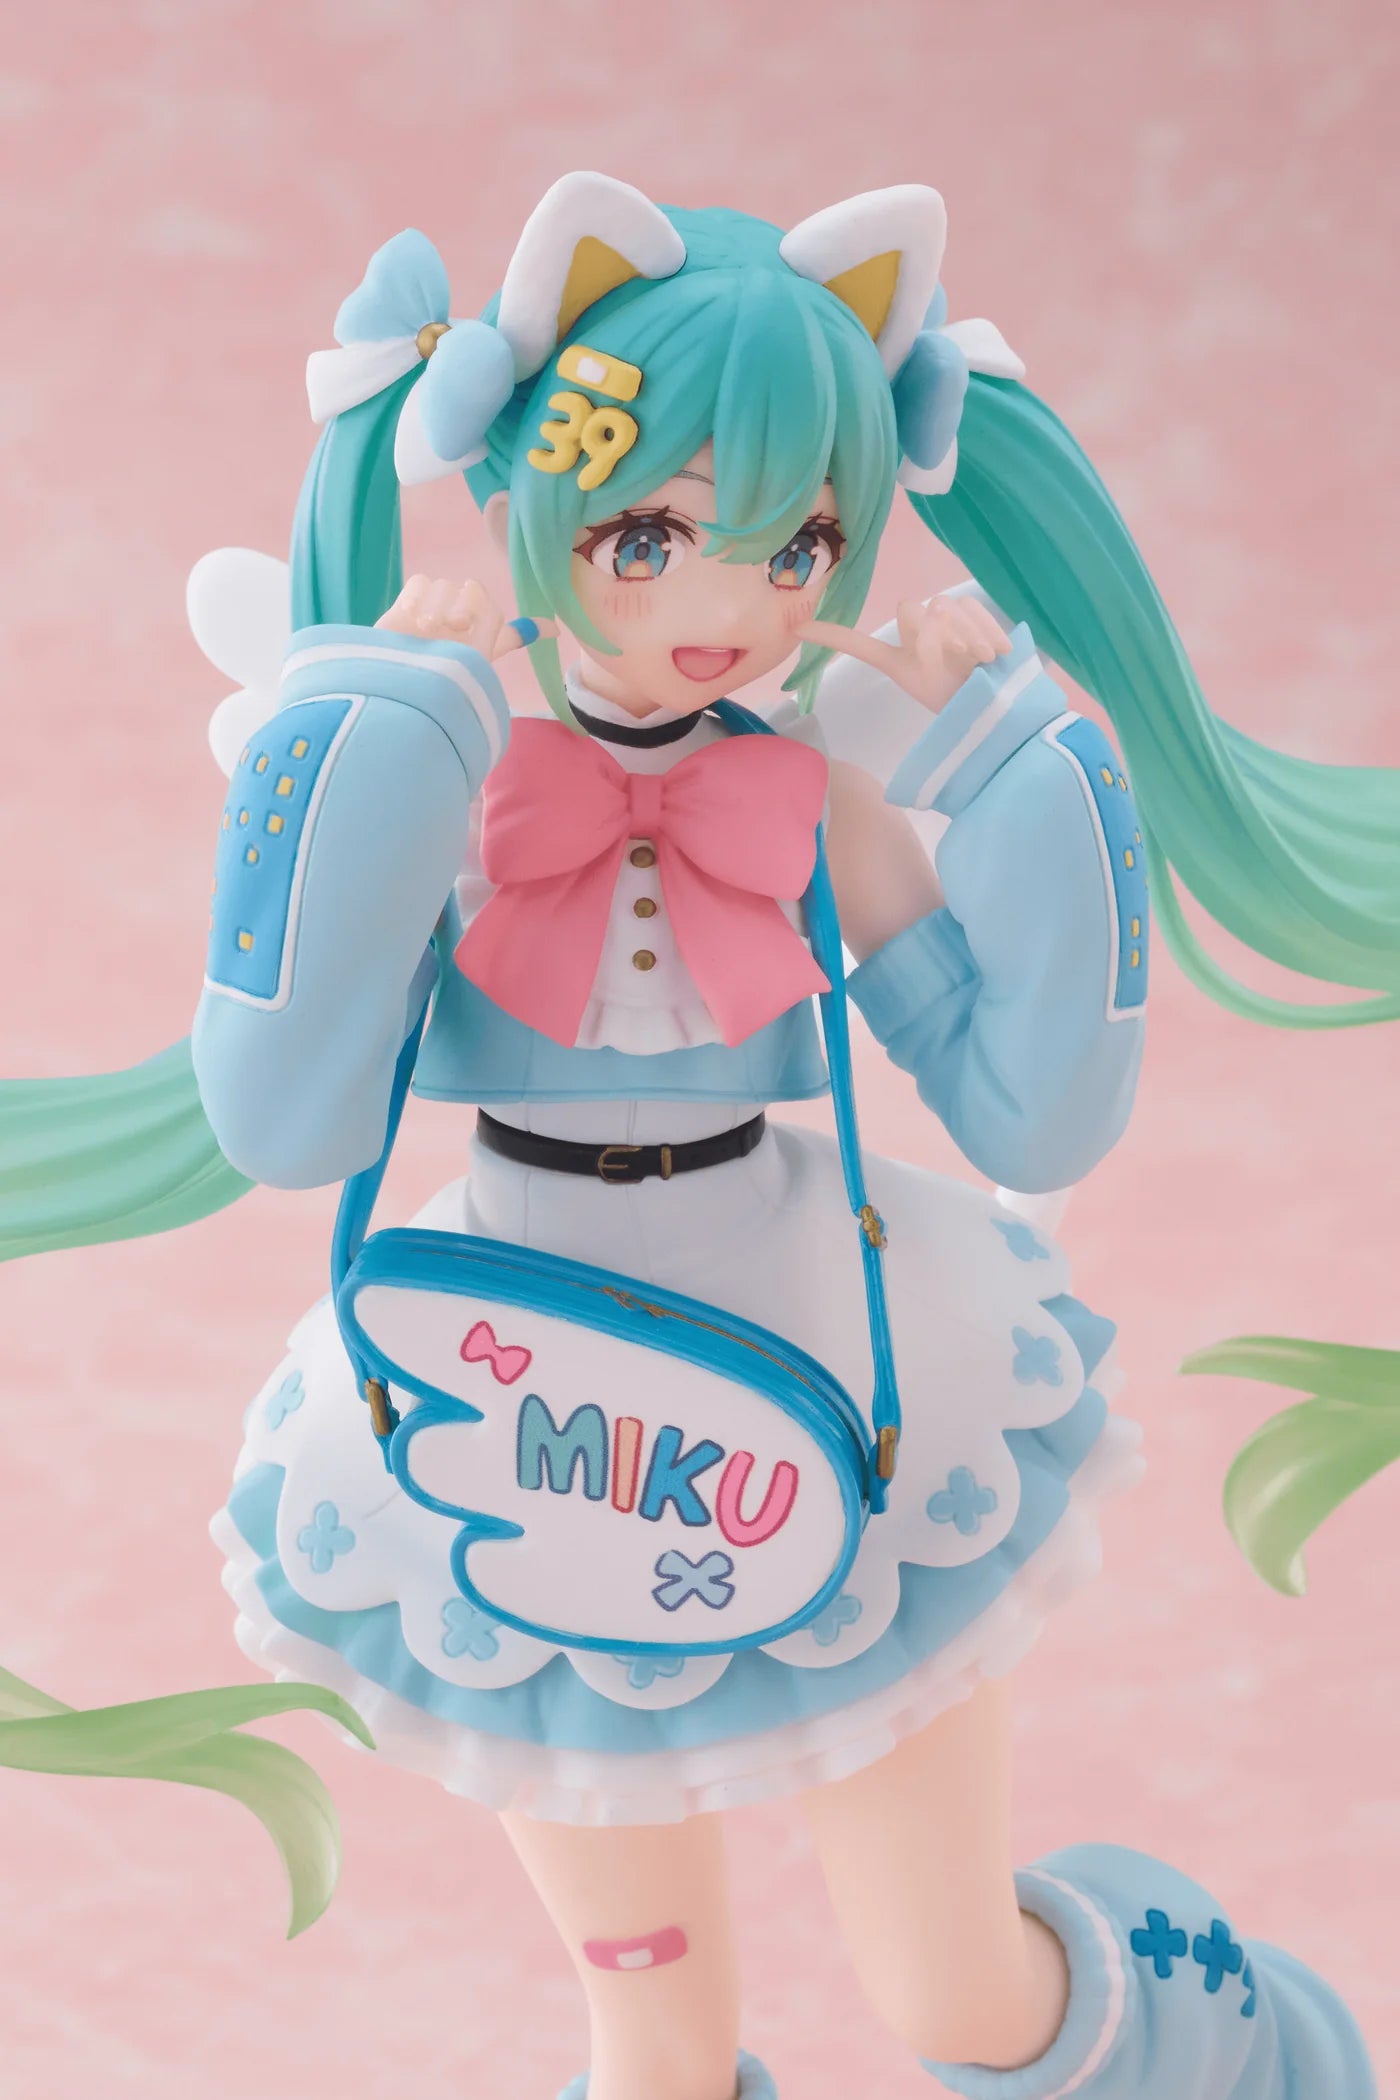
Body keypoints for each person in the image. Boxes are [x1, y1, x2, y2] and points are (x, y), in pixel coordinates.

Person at [9, 172, 1395, 2100]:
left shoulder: (812, 796)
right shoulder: (458, 778)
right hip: (516, 1391)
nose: (733, 612)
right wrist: (370, 741)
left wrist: (1024, 771)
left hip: (831, 1362)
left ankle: (1259, 2064)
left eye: (797, 544)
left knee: (957, 1996)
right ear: (530, 504)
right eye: (650, 538)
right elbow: (289, 1113)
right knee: (650, 2037)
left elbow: (1027, 1100)